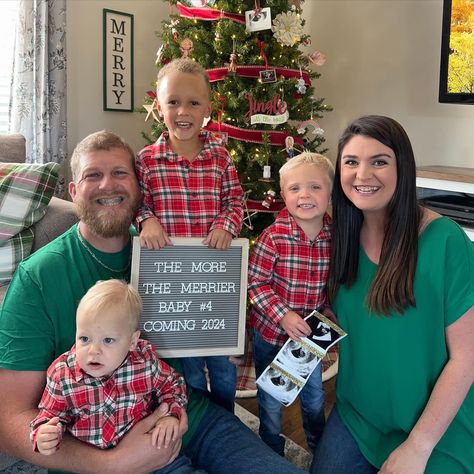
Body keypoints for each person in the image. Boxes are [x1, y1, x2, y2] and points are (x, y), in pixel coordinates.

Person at [0, 130, 306, 474]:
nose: (107, 185)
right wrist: (112, 463)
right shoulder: (38, 278)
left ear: (139, 186)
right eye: (93, 175)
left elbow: (205, 314)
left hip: (188, 417)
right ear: (73, 191)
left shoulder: (173, 251)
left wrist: (225, 335)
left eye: (120, 173)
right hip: (101, 443)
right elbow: (8, 420)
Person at [311, 115, 474, 474]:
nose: (362, 175)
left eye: (379, 162)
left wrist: (418, 447)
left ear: (403, 169)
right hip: (359, 415)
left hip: (435, 426)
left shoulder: (445, 242)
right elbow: (331, 316)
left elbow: (467, 356)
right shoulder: (337, 238)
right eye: (351, 162)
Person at [135, 57, 244, 413]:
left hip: (215, 286)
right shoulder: (147, 161)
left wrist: (226, 225)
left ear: (207, 108)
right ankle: (197, 420)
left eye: (193, 102)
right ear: (158, 106)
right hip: (173, 292)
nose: (183, 111)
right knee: (190, 371)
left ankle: (226, 423)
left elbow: (235, 201)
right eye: (173, 102)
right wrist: (146, 220)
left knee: (223, 368)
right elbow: (138, 204)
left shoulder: (221, 158)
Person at [31, 280, 187, 456]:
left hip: (147, 450)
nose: (94, 351)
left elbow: (172, 384)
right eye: (84, 338)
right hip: (90, 462)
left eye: (108, 340)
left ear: (132, 341)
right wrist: (45, 434)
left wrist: (171, 415)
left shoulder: (144, 362)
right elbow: (49, 415)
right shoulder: (63, 375)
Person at [248, 152, 334, 455]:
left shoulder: (334, 237)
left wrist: (329, 308)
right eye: (295, 188)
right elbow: (255, 283)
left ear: (330, 192)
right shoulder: (273, 238)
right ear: (283, 194)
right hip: (271, 336)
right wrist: (282, 315)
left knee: (314, 399)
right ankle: (270, 450)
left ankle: (318, 450)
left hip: (308, 343)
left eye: (315, 187)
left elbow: (334, 281)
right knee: (271, 400)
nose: (305, 195)